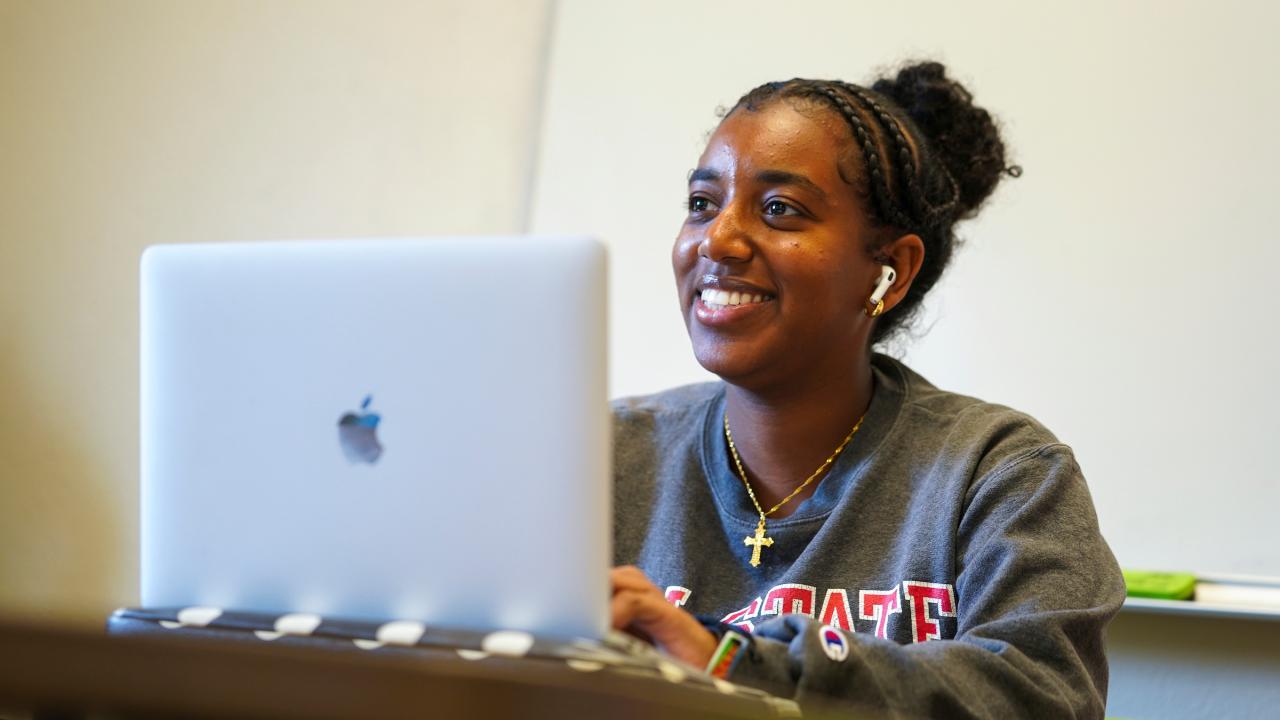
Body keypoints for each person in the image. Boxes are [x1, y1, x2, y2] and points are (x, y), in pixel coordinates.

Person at [607, 61, 1126, 718]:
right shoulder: (598, 455)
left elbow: (1045, 696)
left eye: (779, 209)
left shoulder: (1000, 472)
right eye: (702, 204)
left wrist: (728, 660)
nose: (719, 239)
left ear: (890, 271)